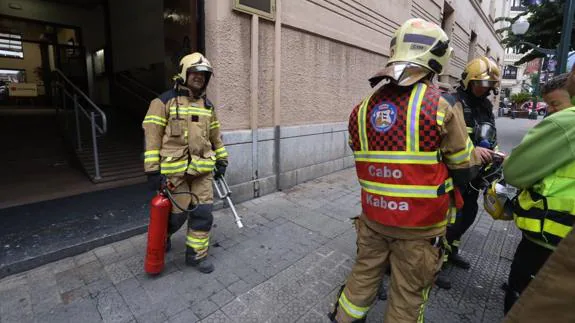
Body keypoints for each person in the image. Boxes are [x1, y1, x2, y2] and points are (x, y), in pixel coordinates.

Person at [328, 18, 480, 323]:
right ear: (438, 58)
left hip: (373, 219)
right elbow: (464, 167)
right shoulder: (439, 106)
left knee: (360, 281)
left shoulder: (361, 108)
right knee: (408, 295)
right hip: (420, 228)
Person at [142, 52, 229, 274]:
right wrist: (152, 171)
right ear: (184, 73)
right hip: (175, 173)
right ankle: (164, 236)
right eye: (195, 73)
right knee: (177, 215)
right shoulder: (162, 102)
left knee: (203, 213)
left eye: (204, 75)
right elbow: (152, 138)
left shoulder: (208, 106)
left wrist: (222, 160)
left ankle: (196, 256)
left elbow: (216, 137)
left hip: (202, 171)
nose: (200, 78)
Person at [502, 71, 575, 313]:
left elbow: (515, 172)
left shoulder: (565, 123)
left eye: (555, 104)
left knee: (523, 306)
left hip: (549, 241)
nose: (551, 111)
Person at [434, 57, 501, 289]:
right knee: (450, 220)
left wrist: (494, 154)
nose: (485, 89)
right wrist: (474, 150)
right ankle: (436, 264)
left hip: (476, 174)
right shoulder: (452, 102)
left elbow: (489, 135)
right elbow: (445, 141)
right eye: (481, 84)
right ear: (468, 81)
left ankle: (451, 251)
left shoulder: (485, 106)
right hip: (456, 172)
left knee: (469, 214)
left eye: (489, 86)